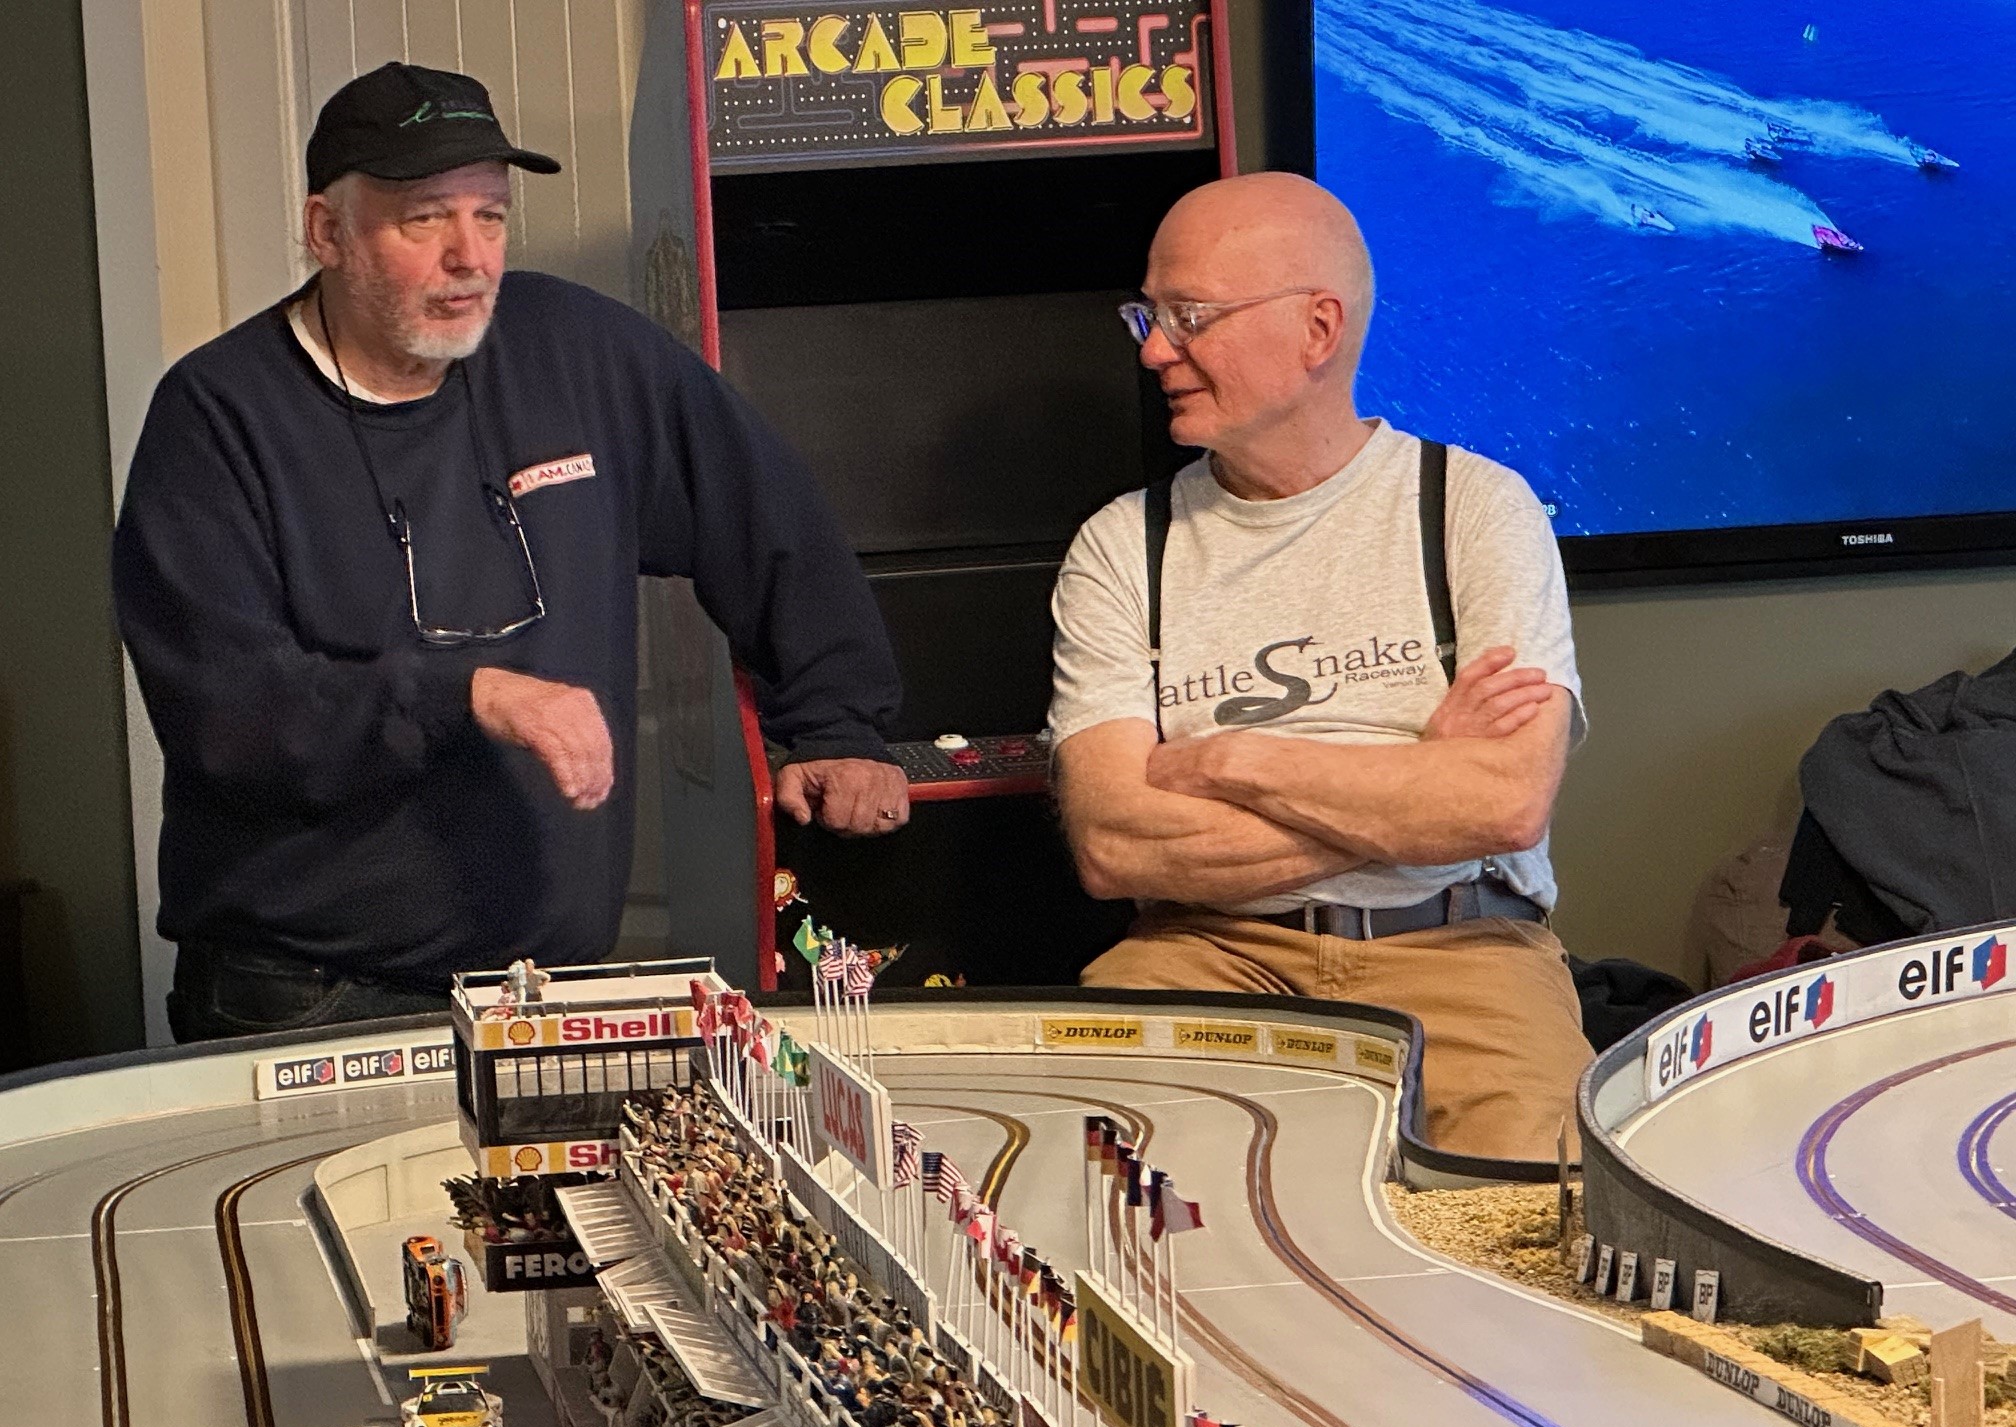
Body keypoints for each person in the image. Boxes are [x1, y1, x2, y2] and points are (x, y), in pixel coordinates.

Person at [113, 63, 908, 1042]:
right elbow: (232, 717)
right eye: (424, 220)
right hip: (307, 990)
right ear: (327, 231)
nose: (469, 257)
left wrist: (836, 722)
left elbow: (765, 514)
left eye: (489, 216)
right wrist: (470, 695)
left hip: (546, 988)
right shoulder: (215, 416)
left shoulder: (578, 350)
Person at [1048, 173, 1592, 1161]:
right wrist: (1419, 790)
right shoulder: (1121, 547)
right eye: (1150, 315)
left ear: (1318, 329)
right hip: (1206, 954)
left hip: (1466, 952)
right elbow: (1115, 845)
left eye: (1189, 317)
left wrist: (1228, 763)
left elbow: (1504, 804)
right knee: (1113, 1176)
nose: (1155, 350)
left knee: (1535, 1212)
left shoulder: (1476, 507)